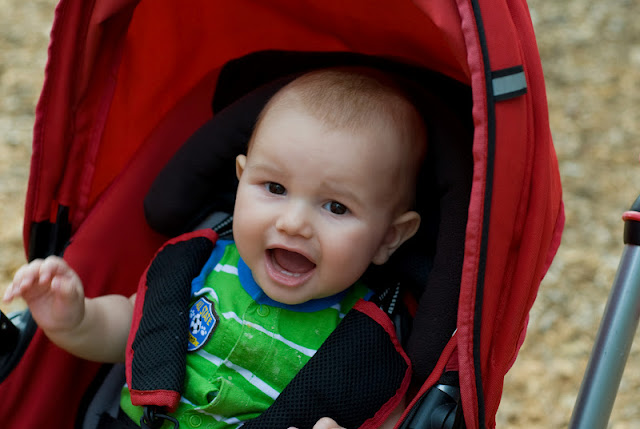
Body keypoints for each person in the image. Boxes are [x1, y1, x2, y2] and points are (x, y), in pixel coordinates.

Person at [4, 68, 427, 428]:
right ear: (241, 179)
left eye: (336, 207)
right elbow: (128, 331)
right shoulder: (197, 266)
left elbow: (392, 417)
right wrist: (76, 318)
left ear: (389, 237)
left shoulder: (363, 343)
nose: (293, 223)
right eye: (274, 187)